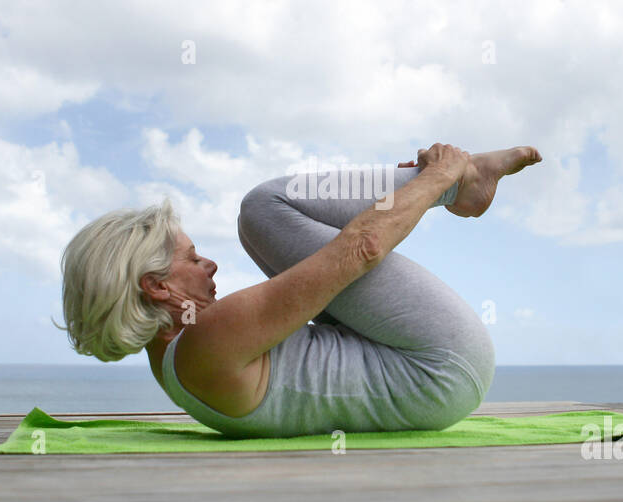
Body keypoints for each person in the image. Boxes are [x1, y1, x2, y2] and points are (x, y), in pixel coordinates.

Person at [59, 144, 542, 437]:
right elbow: (362, 248)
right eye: (191, 258)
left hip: (428, 378)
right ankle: (464, 178)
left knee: (262, 227)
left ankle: (461, 179)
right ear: (157, 287)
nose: (211, 264)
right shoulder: (207, 340)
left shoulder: (175, 363)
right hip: (440, 362)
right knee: (262, 209)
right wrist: (439, 174)